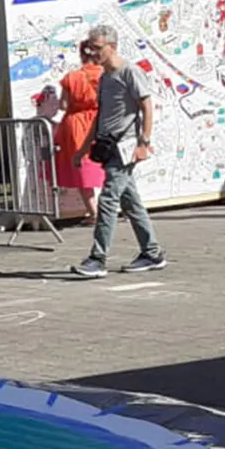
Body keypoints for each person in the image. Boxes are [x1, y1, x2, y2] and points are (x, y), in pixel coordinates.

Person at [70, 25, 166, 278]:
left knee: (108, 200)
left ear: (112, 47)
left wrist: (143, 143)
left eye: (98, 47)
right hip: (108, 147)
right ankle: (152, 252)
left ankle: (97, 258)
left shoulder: (129, 72)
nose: (93, 52)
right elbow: (100, 116)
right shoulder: (105, 77)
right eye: (90, 47)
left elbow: (146, 106)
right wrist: (82, 149)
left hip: (124, 148)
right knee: (130, 201)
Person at [56, 41, 107, 224]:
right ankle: (109, 209)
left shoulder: (72, 77)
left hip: (76, 124)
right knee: (105, 164)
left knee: (81, 167)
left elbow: (63, 105)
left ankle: (93, 212)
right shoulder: (105, 75)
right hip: (99, 120)